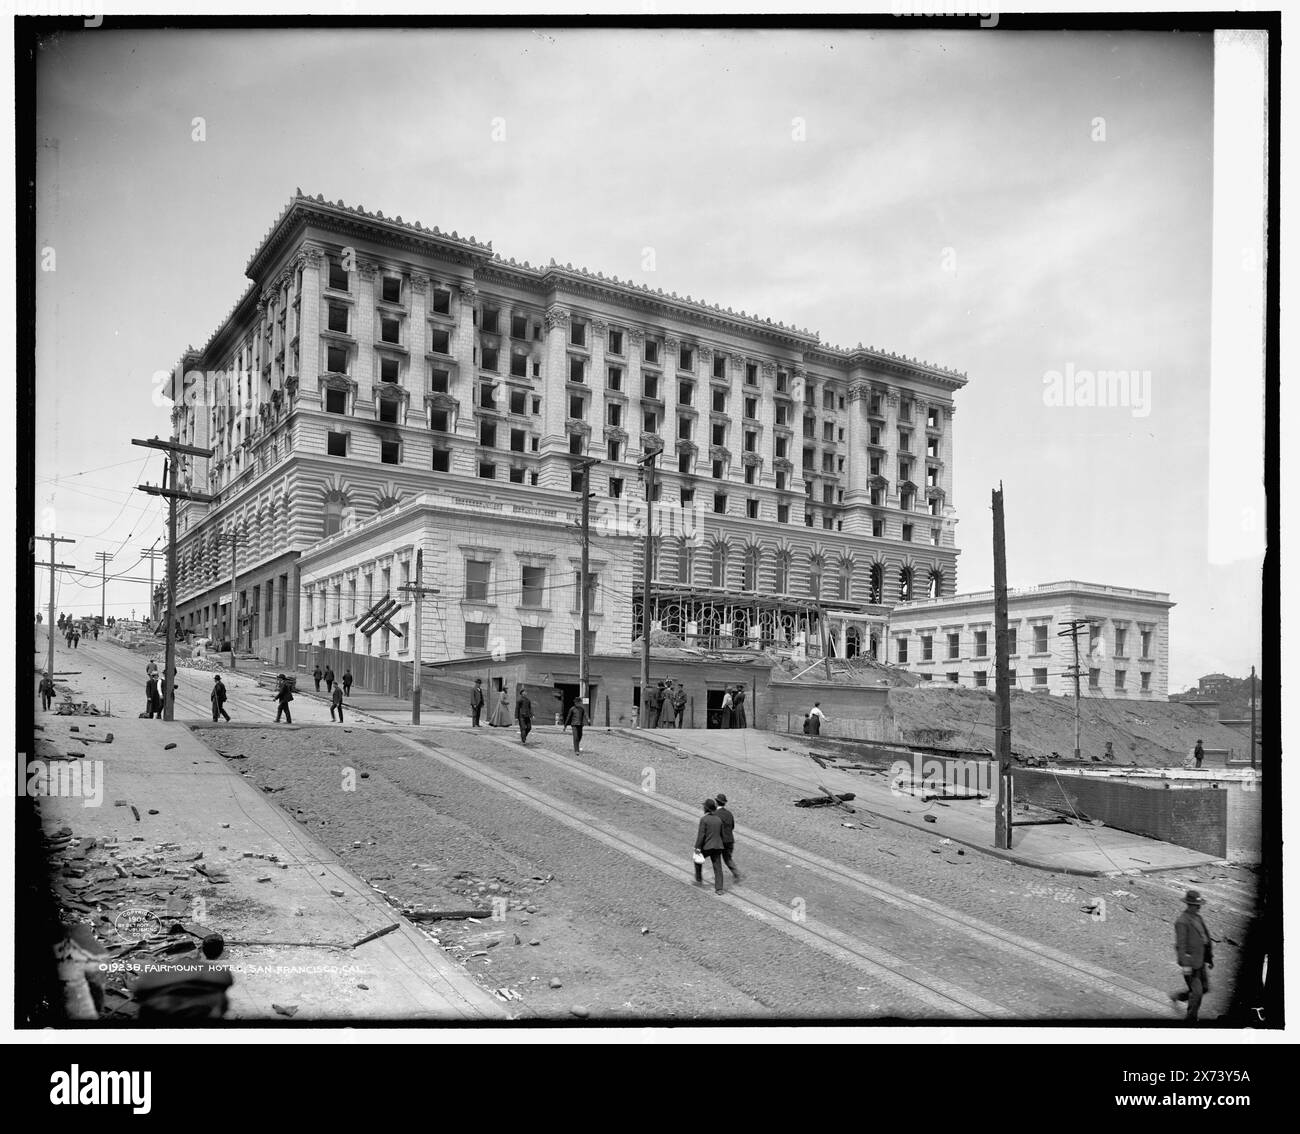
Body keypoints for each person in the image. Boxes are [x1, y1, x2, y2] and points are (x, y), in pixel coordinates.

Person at [1170, 890, 1214, 1023]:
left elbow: (1205, 939)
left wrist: (1209, 959)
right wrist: (1185, 965)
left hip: (1200, 961)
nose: (1199, 907)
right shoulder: (1182, 922)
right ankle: (1191, 1020)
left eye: (1199, 905)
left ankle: (1178, 996)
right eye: (1196, 905)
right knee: (1197, 993)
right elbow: (1181, 946)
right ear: (1189, 905)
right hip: (1190, 964)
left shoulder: (1198, 918)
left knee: (1205, 988)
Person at [693, 798, 727, 895]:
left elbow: (701, 835)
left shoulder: (704, 819)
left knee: (697, 860)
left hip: (707, 846)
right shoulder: (719, 820)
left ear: (706, 809)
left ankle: (699, 879)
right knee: (718, 868)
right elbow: (722, 834)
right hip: (718, 846)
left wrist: (697, 848)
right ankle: (719, 888)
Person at [715, 792, 741, 883]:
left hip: (720, 841)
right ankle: (736, 873)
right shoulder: (729, 814)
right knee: (728, 858)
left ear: (716, 802)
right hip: (730, 840)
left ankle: (718, 878)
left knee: (715, 858)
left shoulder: (715, 814)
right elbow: (732, 826)